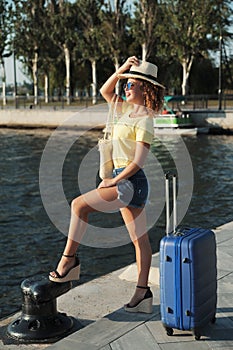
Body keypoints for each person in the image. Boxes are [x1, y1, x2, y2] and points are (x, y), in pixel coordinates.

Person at [49, 56, 165, 313]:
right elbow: (105, 90)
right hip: (123, 179)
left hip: (130, 181)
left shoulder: (145, 118)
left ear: (145, 88)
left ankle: (69, 262)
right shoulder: (123, 109)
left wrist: (113, 179)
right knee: (140, 241)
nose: (126, 88)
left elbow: (138, 162)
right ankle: (142, 292)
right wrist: (122, 70)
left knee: (79, 205)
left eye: (131, 84)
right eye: (126, 84)